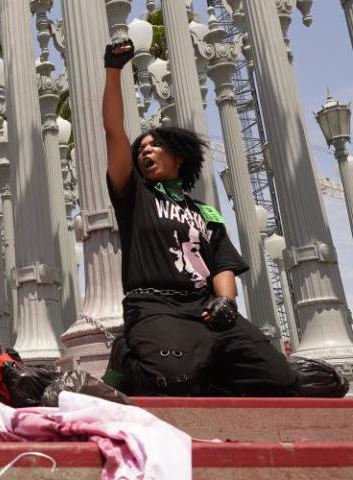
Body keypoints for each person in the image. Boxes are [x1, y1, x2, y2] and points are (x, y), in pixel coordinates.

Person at [101, 39, 297, 396]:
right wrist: (113, 71)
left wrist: (226, 302)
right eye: (141, 149)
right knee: (170, 379)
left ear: (179, 157)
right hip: (155, 306)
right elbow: (114, 131)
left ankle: (203, 376)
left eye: (154, 145)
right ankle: (126, 354)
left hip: (207, 309)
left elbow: (222, 262)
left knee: (279, 379)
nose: (145, 151)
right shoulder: (135, 195)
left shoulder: (204, 211)